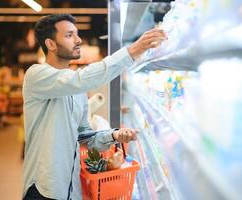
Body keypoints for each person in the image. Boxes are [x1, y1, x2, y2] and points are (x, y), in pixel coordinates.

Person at [22, 14, 166, 200]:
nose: (78, 40)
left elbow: (84, 136)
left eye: (77, 34)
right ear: (50, 44)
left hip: (71, 188)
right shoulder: (36, 75)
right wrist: (132, 50)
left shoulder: (77, 88)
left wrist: (114, 135)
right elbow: (80, 79)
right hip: (43, 189)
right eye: (69, 35)